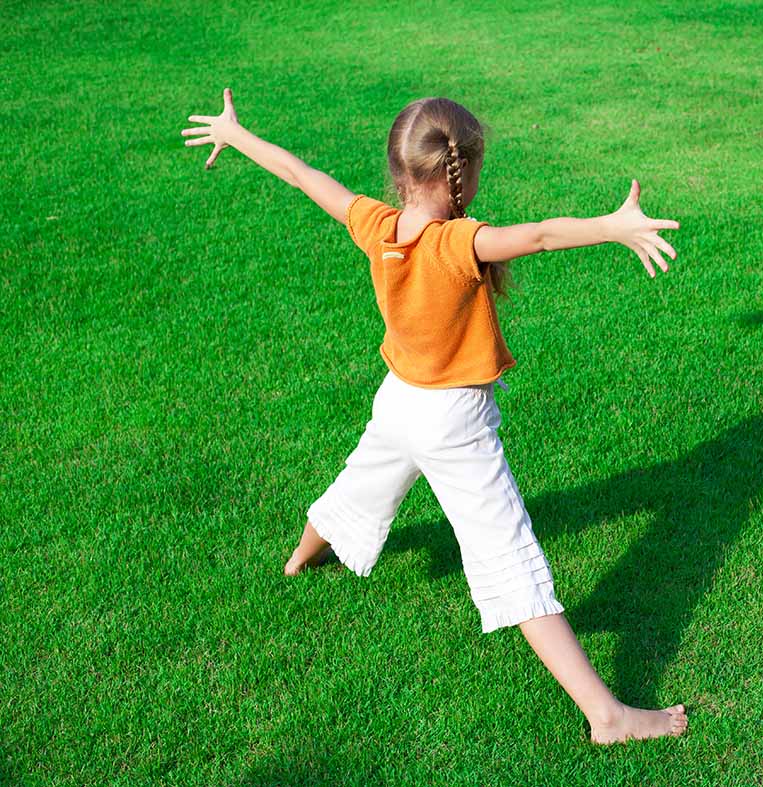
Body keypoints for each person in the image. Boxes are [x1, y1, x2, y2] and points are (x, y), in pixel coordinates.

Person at [181, 89, 686, 744]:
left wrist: (237, 134)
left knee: (362, 481)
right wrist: (612, 225)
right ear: (463, 171)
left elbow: (304, 175)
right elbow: (535, 236)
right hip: (455, 423)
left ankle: (298, 562)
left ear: (400, 173)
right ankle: (607, 715)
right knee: (510, 557)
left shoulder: (375, 223)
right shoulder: (458, 244)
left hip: (399, 401)